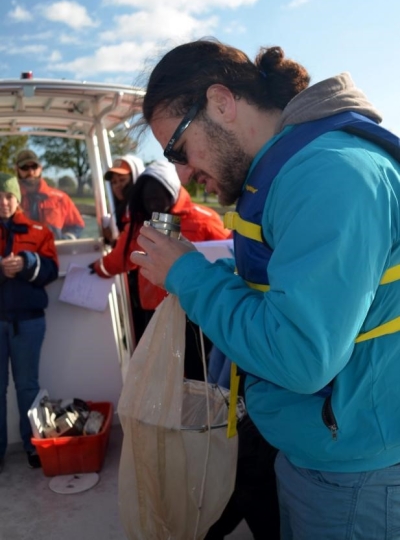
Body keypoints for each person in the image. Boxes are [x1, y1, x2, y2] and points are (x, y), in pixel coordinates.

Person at [130, 39, 400, 539]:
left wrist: (189, 276)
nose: (182, 175)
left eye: (178, 151)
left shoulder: (330, 175)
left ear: (222, 103)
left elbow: (299, 357)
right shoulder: (286, 176)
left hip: (356, 477)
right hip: (316, 454)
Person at [92, 159, 231, 379]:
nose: (153, 203)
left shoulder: (204, 219)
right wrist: (98, 268)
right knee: (160, 375)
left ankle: (197, 411)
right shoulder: (140, 222)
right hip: (156, 311)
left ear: (171, 191)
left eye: (158, 196)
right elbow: (122, 258)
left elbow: (228, 255)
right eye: (147, 199)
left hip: (195, 311)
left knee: (197, 372)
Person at [0, 173, 59, 472]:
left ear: (18, 198)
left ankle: (33, 445)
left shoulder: (39, 231)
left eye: (8, 195)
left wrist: (27, 264)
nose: (3, 202)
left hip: (29, 323)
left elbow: (50, 271)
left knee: (27, 387)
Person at [15, 149, 85, 240]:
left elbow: (78, 225)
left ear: (40, 168)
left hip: (54, 251)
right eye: (24, 167)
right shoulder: (10, 200)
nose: (31, 172)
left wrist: (65, 240)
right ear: (16, 169)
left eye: (34, 167)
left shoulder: (61, 198)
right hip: (20, 252)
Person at [102, 154, 144, 244]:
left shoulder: (144, 213)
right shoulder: (122, 211)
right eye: (114, 182)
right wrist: (111, 240)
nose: (117, 186)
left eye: (122, 180)